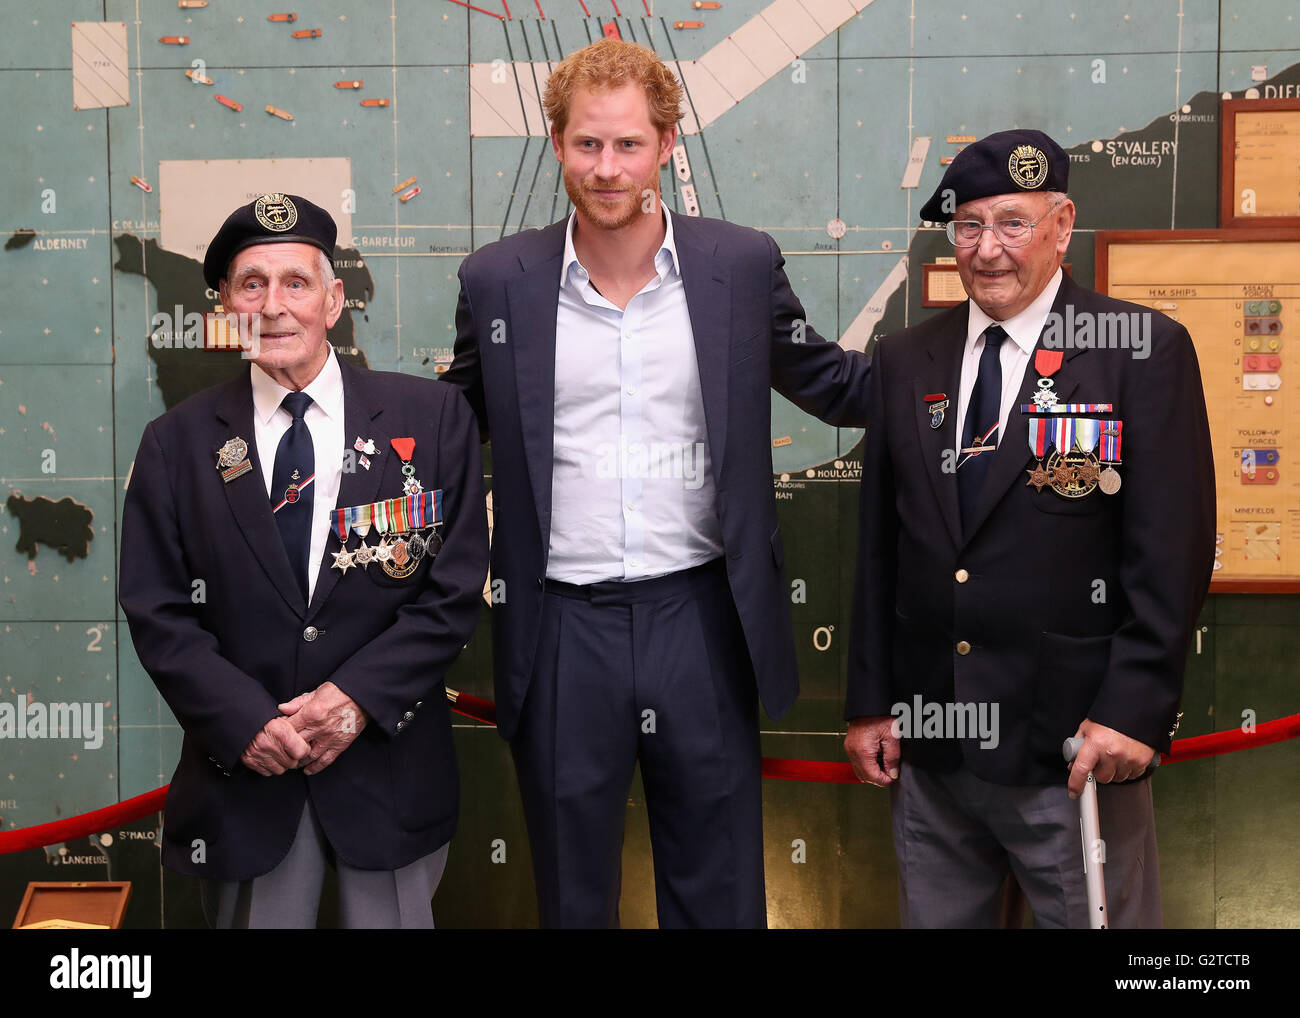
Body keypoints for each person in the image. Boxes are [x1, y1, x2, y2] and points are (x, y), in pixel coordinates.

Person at [443, 38, 871, 928]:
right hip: (560, 627)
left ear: (667, 145)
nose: (607, 169)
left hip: (704, 621)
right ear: (556, 143)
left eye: (629, 145)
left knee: (716, 895)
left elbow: (831, 382)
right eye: (587, 144)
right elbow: (451, 425)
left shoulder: (740, 266)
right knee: (572, 895)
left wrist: (982, 368)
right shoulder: (498, 281)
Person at [843, 130, 1216, 928]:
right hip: (934, 745)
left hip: (1075, 745)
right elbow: (880, 545)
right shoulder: (907, 358)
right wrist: (871, 703)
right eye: (968, 226)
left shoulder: (1139, 351)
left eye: (1012, 222)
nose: (988, 250)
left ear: (1062, 223)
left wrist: (1134, 711)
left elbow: (1171, 551)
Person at [119, 193, 488, 928]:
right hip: (247, 784)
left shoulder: (432, 420)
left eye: (296, 282)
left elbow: (452, 590)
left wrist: (357, 699)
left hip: (388, 776)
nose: (275, 304)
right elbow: (158, 611)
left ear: (333, 299)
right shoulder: (177, 443)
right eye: (251, 283)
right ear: (224, 304)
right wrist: (244, 721)